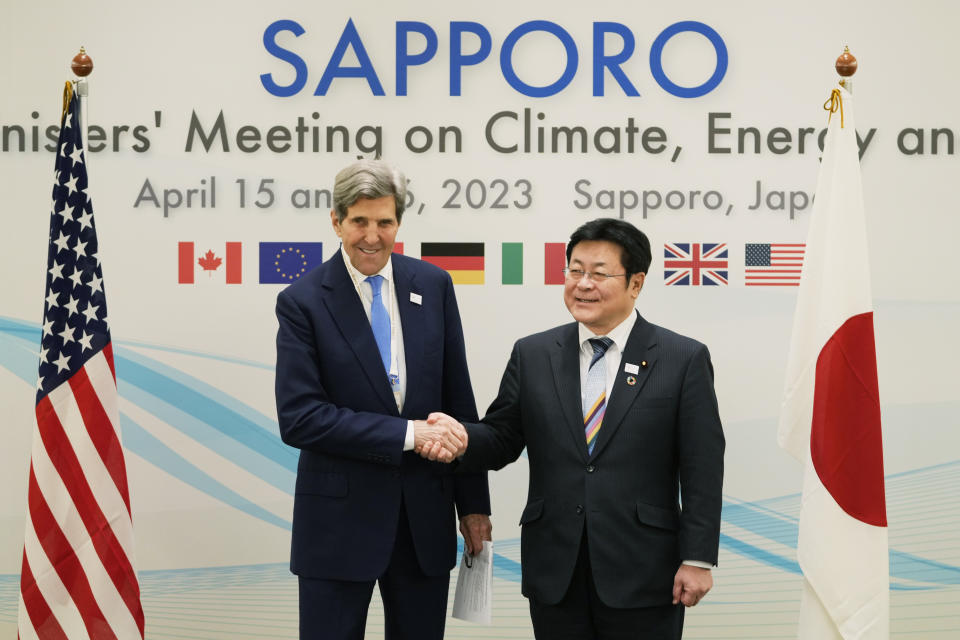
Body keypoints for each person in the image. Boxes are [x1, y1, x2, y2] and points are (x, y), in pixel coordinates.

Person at [420, 218, 724, 639]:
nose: (583, 284)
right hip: (555, 566)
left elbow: (702, 467)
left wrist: (698, 558)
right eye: (575, 270)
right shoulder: (534, 353)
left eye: (599, 273)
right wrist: (461, 439)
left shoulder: (681, 357)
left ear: (636, 283)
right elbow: (503, 437)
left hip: (644, 569)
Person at [275, 159, 492, 640]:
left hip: (424, 524)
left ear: (399, 222)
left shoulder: (433, 285)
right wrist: (411, 434)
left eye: (385, 222)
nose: (372, 236)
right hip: (337, 529)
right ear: (336, 220)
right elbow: (301, 419)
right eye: (359, 222)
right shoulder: (302, 301)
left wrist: (473, 504)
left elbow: (459, 399)